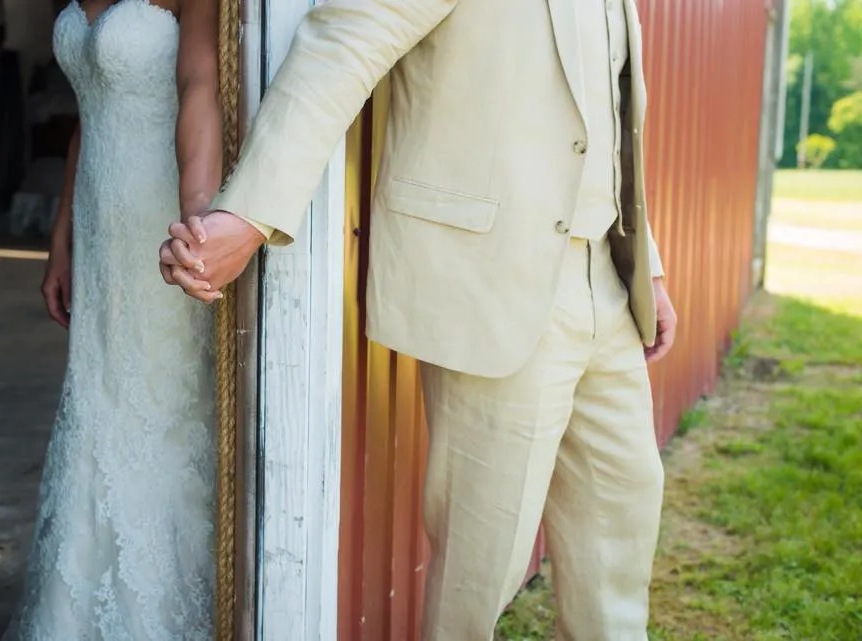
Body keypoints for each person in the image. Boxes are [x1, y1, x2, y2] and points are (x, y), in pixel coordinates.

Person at [161, 0, 678, 638]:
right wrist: (249, 213)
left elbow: (610, 115)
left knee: (620, 525)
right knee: (480, 567)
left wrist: (644, 264)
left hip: (607, 279)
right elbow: (342, 45)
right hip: (496, 284)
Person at [4, 1, 222, 638]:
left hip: (158, 204)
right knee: (99, 398)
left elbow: (200, 83)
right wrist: (60, 238)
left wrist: (198, 220)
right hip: (101, 213)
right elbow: (85, 116)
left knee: (157, 401)